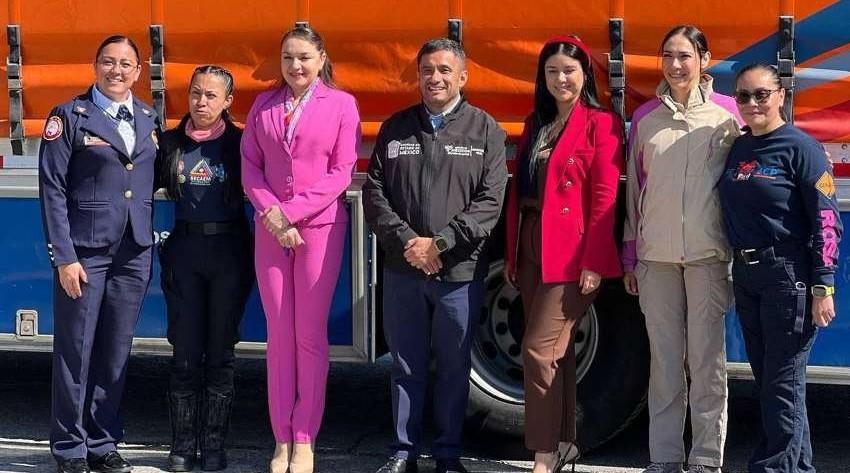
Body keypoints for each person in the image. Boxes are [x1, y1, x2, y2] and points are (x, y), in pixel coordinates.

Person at [363, 38, 508, 473]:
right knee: (405, 365)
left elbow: (490, 202)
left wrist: (440, 244)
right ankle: (402, 452)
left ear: (463, 77)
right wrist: (410, 242)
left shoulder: (485, 130)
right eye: (427, 70)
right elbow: (374, 193)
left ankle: (447, 453)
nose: (435, 78)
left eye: (445, 70)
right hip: (404, 269)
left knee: (453, 367)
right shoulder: (396, 128)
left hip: (458, 273)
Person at [621, 25, 742, 473]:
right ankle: (666, 458)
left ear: (704, 60)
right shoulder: (645, 118)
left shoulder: (729, 114)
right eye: (668, 56)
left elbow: (763, 152)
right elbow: (634, 193)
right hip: (656, 260)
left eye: (685, 56)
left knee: (708, 365)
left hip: (709, 257)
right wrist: (631, 255)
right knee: (665, 365)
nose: (675, 65)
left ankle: (707, 458)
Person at [38, 35, 161, 473]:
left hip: (134, 252)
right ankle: (70, 447)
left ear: (138, 72)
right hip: (85, 254)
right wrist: (64, 256)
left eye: (126, 64)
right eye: (109, 62)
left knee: (115, 352)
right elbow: (52, 189)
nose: (117, 71)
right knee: (76, 351)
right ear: (95, 66)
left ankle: (102, 441)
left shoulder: (148, 117)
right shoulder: (70, 116)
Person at [241, 26, 360, 473]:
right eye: (288, 57)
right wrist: (273, 215)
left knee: (309, 335)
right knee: (279, 336)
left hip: (320, 230)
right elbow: (250, 166)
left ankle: (305, 436)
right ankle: (281, 438)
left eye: (305, 57)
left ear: (321, 58)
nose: (296, 66)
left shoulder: (342, 105)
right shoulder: (263, 104)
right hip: (270, 232)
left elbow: (342, 171)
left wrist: (290, 213)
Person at [503, 35, 623, 473]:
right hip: (531, 242)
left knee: (538, 350)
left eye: (569, 70)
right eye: (551, 71)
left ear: (585, 75)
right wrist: (513, 255)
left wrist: (594, 260)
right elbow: (521, 191)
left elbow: (605, 197)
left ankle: (544, 452)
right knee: (559, 351)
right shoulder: (536, 123)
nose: (560, 79)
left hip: (572, 250)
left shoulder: (602, 123)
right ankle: (566, 441)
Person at [718, 63, 842, 473]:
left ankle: (775, 467)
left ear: (781, 96)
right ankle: (797, 466)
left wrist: (823, 286)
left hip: (788, 277)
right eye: (743, 96)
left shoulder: (803, 149)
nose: (752, 103)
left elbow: (827, 219)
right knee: (770, 381)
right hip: (747, 275)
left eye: (761, 94)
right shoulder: (739, 147)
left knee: (782, 382)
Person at [156, 65, 254, 472]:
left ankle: (213, 445)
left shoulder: (241, 144)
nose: (201, 102)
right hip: (184, 253)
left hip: (229, 254)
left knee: (220, 354)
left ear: (228, 101)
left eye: (211, 95)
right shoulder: (168, 143)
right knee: (184, 354)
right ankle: (182, 445)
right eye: (196, 93)